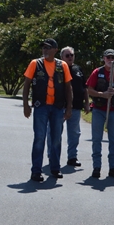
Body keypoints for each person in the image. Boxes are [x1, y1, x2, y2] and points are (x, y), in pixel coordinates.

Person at [22, 39, 72, 182]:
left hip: (57, 107)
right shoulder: (34, 64)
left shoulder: (62, 65)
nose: (45, 50)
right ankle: (36, 171)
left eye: (48, 48)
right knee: (39, 138)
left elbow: (68, 88)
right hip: (40, 106)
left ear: (55, 50)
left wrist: (69, 107)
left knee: (56, 139)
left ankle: (55, 168)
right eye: (43, 48)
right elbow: (26, 85)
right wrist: (26, 105)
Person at [86, 48, 114, 179]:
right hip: (99, 109)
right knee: (97, 139)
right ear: (104, 59)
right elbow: (89, 89)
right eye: (108, 57)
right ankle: (96, 167)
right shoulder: (97, 72)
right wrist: (102, 95)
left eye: (113, 57)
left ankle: (113, 168)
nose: (110, 60)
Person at [47, 46, 90, 167]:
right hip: (59, 107)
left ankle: (72, 157)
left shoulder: (78, 69)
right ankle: (52, 156)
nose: (70, 57)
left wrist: (86, 103)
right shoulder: (57, 69)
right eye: (67, 55)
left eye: (72, 55)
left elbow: (84, 88)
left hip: (76, 107)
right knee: (54, 133)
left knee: (74, 134)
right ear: (61, 57)